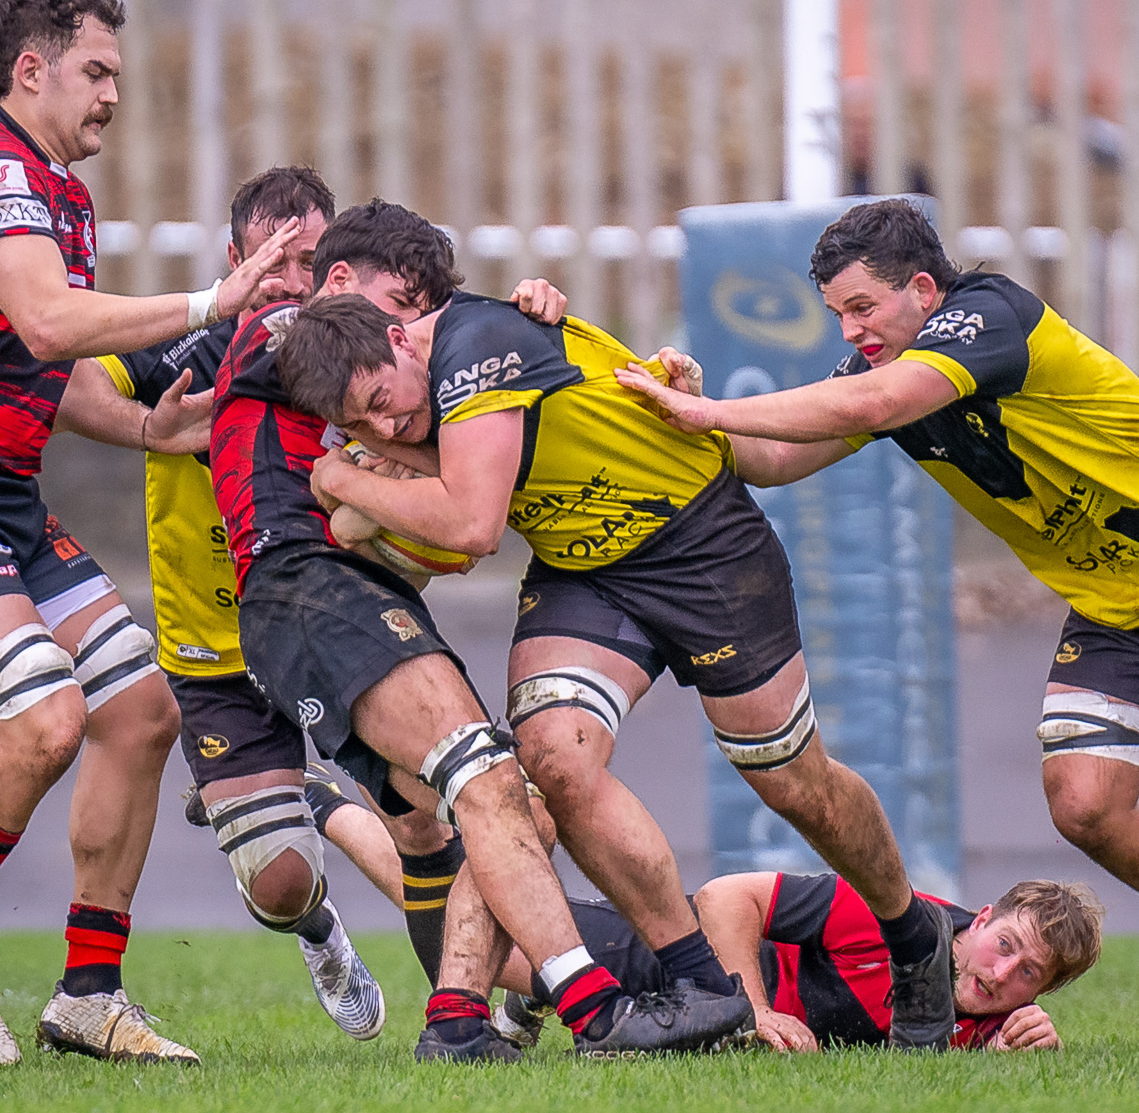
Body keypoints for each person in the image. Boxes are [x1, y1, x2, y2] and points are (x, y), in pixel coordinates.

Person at [612, 198, 1139, 1049]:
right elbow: (777, 459)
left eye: (863, 308)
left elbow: (872, 404)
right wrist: (690, 408)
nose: (853, 330)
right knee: (1084, 806)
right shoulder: (884, 369)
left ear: (926, 289)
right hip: (1115, 598)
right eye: (839, 315)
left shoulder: (988, 316)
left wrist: (714, 416)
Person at [275, 284, 964, 1051]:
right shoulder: (426, 369)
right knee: (550, 760)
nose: (381, 422)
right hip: (586, 570)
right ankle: (701, 982)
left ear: (402, 339)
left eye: (379, 399)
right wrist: (379, 481)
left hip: (700, 542)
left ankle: (912, 931)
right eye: (356, 423)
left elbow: (470, 527)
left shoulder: (479, 346)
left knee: (794, 783)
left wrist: (340, 478)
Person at [0, 0, 299, 1067]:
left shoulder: (58, 192)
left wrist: (147, 430)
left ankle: (88, 990)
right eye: (96, 71)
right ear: (29, 68)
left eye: (118, 78)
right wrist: (211, 303)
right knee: (44, 719)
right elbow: (48, 322)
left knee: (137, 708)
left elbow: (49, 365)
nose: (110, 96)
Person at [209, 201, 756, 1061]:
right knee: (489, 781)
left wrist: (524, 318)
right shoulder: (296, 330)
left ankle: (457, 1020)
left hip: (335, 598)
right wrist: (498, 324)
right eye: (408, 303)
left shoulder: (359, 372)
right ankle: (599, 1011)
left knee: (513, 813)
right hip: (307, 589)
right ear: (345, 288)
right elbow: (467, 520)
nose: (421, 322)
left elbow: (455, 513)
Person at [58, 179, 578, 1028]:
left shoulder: (374, 352)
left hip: (335, 613)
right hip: (217, 648)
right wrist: (155, 427)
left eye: (317, 259)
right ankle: (323, 905)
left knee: (434, 818)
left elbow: (467, 375)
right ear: (238, 263)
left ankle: (470, 1001)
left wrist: (528, 306)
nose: (306, 278)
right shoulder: (201, 348)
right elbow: (64, 381)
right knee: (280, 884)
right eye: (284, 261)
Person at [304, 775, 1100, 1054]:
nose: (1000, 972)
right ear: (983, 914)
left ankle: (525, 1001)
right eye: (1004, 944)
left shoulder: (997, 1021)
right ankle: (320, 797)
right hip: (662, 958)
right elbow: (727, 898)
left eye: (1028, 974)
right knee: (451, 931)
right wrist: (750, 1010)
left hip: (679, 991)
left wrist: (1025, 1051)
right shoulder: (897, 916)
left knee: (458, 922)